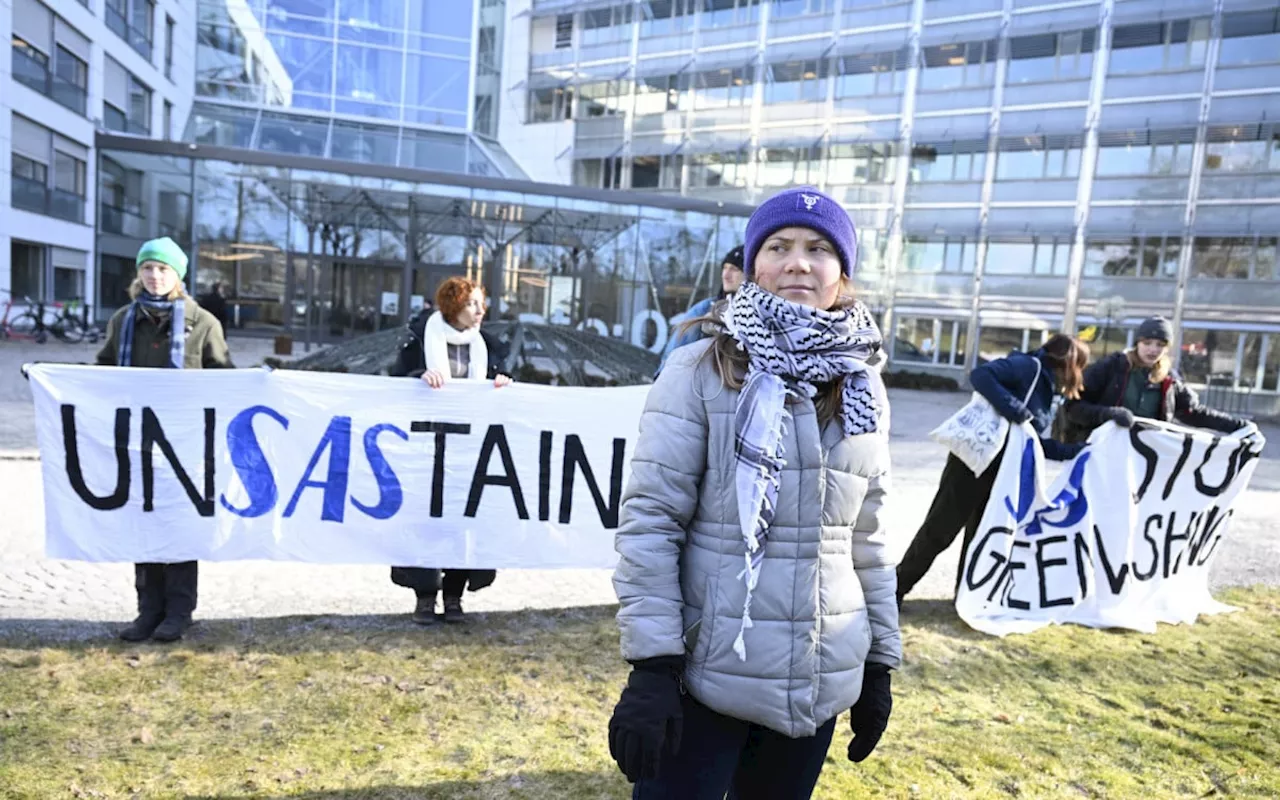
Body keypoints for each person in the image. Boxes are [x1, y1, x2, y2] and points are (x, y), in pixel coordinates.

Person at [608, 187, 900, 799]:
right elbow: (651, 522)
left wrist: (879, 662)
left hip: (816, 682)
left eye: (819, 249)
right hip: (705, 678)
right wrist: (653, 667)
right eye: (780, 246)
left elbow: (868, 538)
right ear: (753, 264)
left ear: (841, 273)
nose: (799, 262)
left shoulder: (864, 386)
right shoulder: (697, 371)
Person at [96, 236, 233, 643]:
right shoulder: (123, 321)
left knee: (176, 526)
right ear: (138, 273)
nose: (154, 277)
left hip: (184, 444)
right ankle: (147, 610)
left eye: (163, 269)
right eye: (147, 268)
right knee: (143, 526)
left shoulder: (203, 322)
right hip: (136, 442)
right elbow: (101, 370)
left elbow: (224, 375)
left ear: (178, 275)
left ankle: (178, 610)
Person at [895, 334, 1089, 607]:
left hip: (1001, 470)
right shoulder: (1028, 367)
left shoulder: (1047, 387)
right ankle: (895, 589)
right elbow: (981, 375)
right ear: (1070, 362)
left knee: (980, 536)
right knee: (939, 530)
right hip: (974, 462)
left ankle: (966, 597)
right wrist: (1015, 409)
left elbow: (1030, 440)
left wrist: (1077, 451)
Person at [389, 276, 512, 624]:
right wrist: (419, 376)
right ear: (453, 306)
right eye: (472, 303)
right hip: (427, 449)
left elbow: (504, 377)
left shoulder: (488, 344)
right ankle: (425, 596)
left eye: (481, 303)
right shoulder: (418, 339)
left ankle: (454, 594)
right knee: (426, 520)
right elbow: (396, 381)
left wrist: (502, 381)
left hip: (470, 452)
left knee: (464, 518)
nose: (480, 310)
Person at [1061, 315, 1251, 442]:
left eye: (1160, 345)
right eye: (1147, 343)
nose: (1153, 350)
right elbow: (1073, 407)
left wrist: (1239, 426)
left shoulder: (1169, 379)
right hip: (1101, 450)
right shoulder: (1111, 367)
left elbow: (1193, 412)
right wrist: (1107, 413)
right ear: (1137, 343)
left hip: (1145, 457)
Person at [654, 245, 745, 376]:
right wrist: (663, 376)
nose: (726, 274)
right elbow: (676, 350)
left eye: (734, 269)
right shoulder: (705, 309)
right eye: (724, 268)